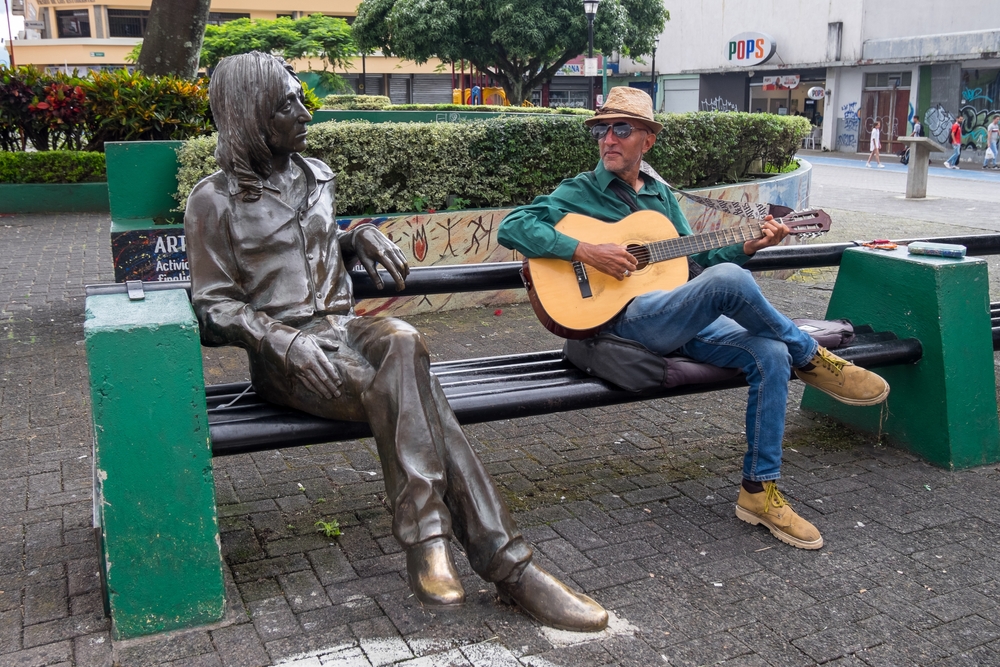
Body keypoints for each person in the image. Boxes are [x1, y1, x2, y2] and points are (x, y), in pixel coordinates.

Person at [184, 52, 608, 633]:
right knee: (416, 391)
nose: (307, 112)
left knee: (405, 341)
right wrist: (280, 342)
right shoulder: (214, 200)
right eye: (289, 104)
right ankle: (509, 567)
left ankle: (431, 539)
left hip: (347, 329)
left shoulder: (317, 175)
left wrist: (357, 236)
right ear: (253, 114)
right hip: (289, 359)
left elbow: (315, 242)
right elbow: (211, 305)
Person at [498, 86, 890, 551]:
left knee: (767, 352)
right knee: (736, 289)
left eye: (621, 129)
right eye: (602, 129)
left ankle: (758, 492)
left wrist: (748, 246)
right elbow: (513, 226)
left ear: (648, 141)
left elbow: (696, 263)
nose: (608, 139)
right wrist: (586, 250)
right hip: (627, 321)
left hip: (678, 312)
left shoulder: (661, 196)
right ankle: (811, 354)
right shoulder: (578, 191)